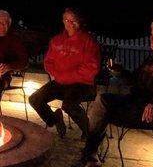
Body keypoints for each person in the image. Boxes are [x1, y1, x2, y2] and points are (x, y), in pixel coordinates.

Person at [66, 19, 153, 167]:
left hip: (151, 114)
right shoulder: (151, 60)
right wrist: (119, 71)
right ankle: (91, 159)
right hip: (135, 104)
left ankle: (91, 160)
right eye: (151, 34)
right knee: (102, 101)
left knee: (100, 112)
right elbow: (135, 81)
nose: (151, 38)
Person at [29, 8, 100, 139]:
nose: (70, 23)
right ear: (63, 21)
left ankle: (90, 132)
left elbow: (91, 68)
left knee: (69, 105)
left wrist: (65, 76)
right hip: (60, 82)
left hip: (82, 84)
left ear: (80, 22)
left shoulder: (88, 41)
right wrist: (56, 74)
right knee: (34, 99)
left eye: (74, 20)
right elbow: (48, 62)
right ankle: (55, 119)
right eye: (67, 20)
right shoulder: (56, 41)